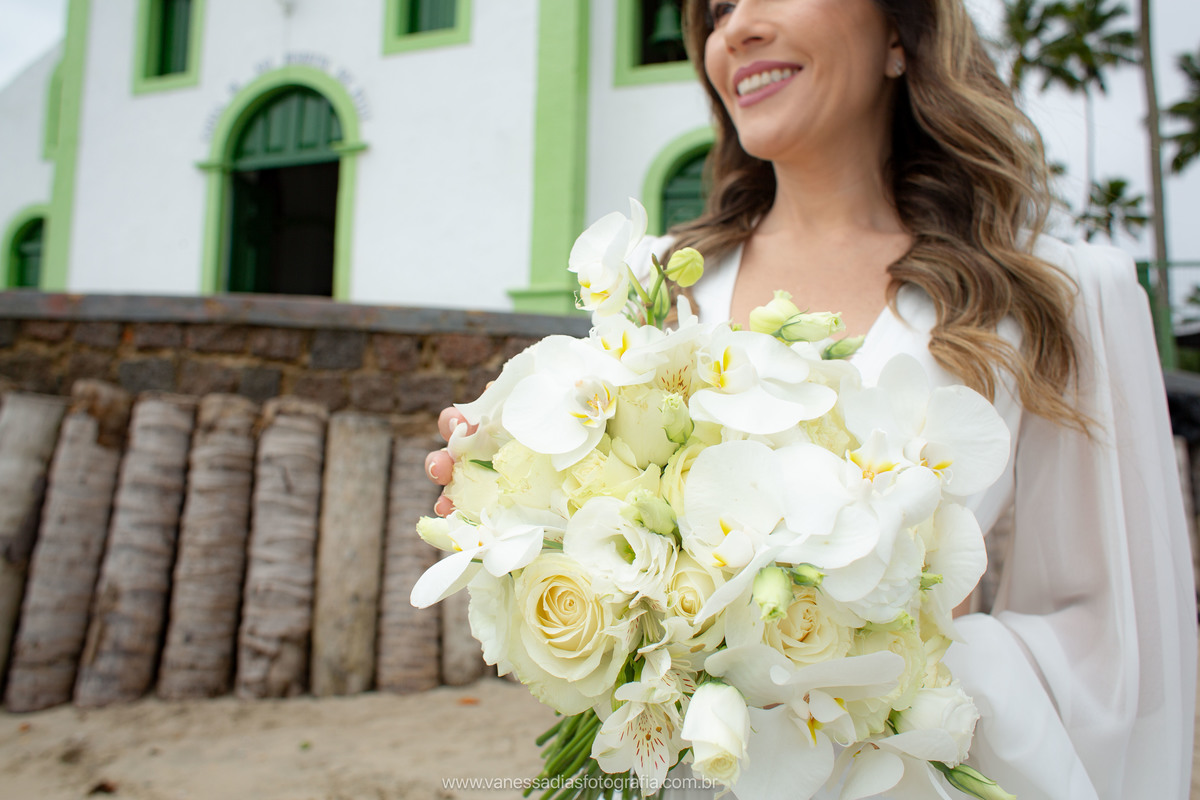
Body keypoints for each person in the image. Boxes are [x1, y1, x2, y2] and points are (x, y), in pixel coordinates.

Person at [426, 0, 1197, 797]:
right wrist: (518, 510)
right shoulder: (657, 286)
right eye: (717, 11)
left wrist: (873, 667)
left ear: (900, 32)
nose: (736, 30)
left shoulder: (1052, 295)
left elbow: (1115, 649)